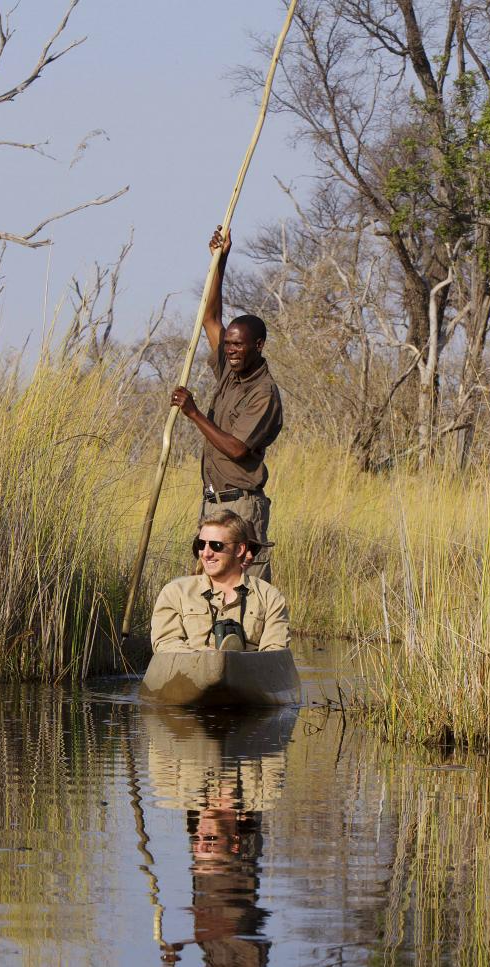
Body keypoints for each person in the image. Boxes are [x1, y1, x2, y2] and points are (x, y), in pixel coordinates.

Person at [170, 226, 283, 581]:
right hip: (213, 501)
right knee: (209, 587)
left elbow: (236, 449)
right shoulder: (229, 371)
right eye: (229, 345)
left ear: (259, 345)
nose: (231, 350)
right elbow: (210, 319)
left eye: (239, 345)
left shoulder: (263, 392)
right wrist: (220, 260)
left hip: (242, 504)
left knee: (247, 589)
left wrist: (193, 413)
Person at [150, 510, 289, 653]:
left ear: (240, 549)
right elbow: (165, 644)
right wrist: (208, 660)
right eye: (201, 544)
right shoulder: (175, 592)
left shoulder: (269, 597)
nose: (206, 553)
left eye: (216, 546)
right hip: (189, 673)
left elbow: (274, 654)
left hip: (248, 674)